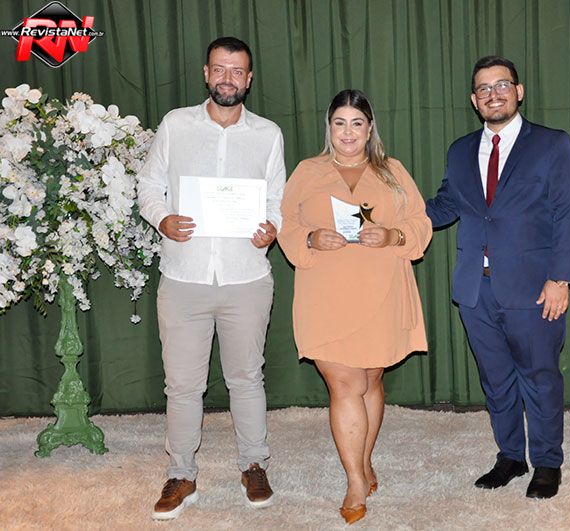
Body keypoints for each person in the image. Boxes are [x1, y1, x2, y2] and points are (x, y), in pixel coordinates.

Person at [136, 36, 285, 520]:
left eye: (237, 71)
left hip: (247, 277)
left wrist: (272, 227)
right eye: (220, 69)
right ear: (206, 73)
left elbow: (277, 199)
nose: (228, 78)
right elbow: (148, 184)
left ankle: (254, 465)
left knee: (247, 378)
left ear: (249, 78)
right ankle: (181, 474)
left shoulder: (268, 134)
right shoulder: (176, 125)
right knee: (181, 385)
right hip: (184, 276)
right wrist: (162, 218)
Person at [426, 56, 570, 499]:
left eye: (501, 85)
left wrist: (560, 279)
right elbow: (445, 205)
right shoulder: (460, 151)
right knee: (495, 380)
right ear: (473, 100)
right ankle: (511, 456)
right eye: (483, 88)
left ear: (519, 91)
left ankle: (547, 462)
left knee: (540, 377)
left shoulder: (551, 144)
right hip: (476, 289)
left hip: (535, 288)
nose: (493, 94)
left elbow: (567, 213)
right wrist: (394, 212)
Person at [277, 89, 431, 524]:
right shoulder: (307, 171)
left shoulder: (393, 171)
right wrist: (310, 237)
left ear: (369, 128)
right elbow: (285, 222)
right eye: (340, 123)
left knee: (368, 381)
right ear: (329, 127)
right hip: (325, 294)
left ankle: (364, 460)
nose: (348, 132)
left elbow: (420, 221)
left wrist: (392, 235)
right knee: (344, 385)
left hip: (381, 291)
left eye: (356, 123)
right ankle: (355, 480)